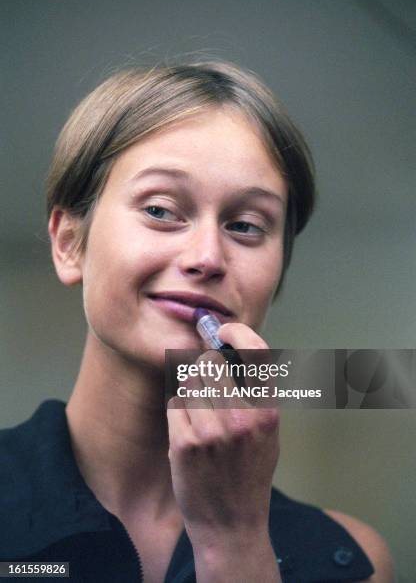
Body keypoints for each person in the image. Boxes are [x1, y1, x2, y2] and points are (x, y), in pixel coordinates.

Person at [0, 61, 394, 582]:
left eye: (245, 225)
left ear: (276, 277)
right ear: (69, 243)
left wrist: (234, 540)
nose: (207, 256)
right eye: (161, 210)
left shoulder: (352, 561)